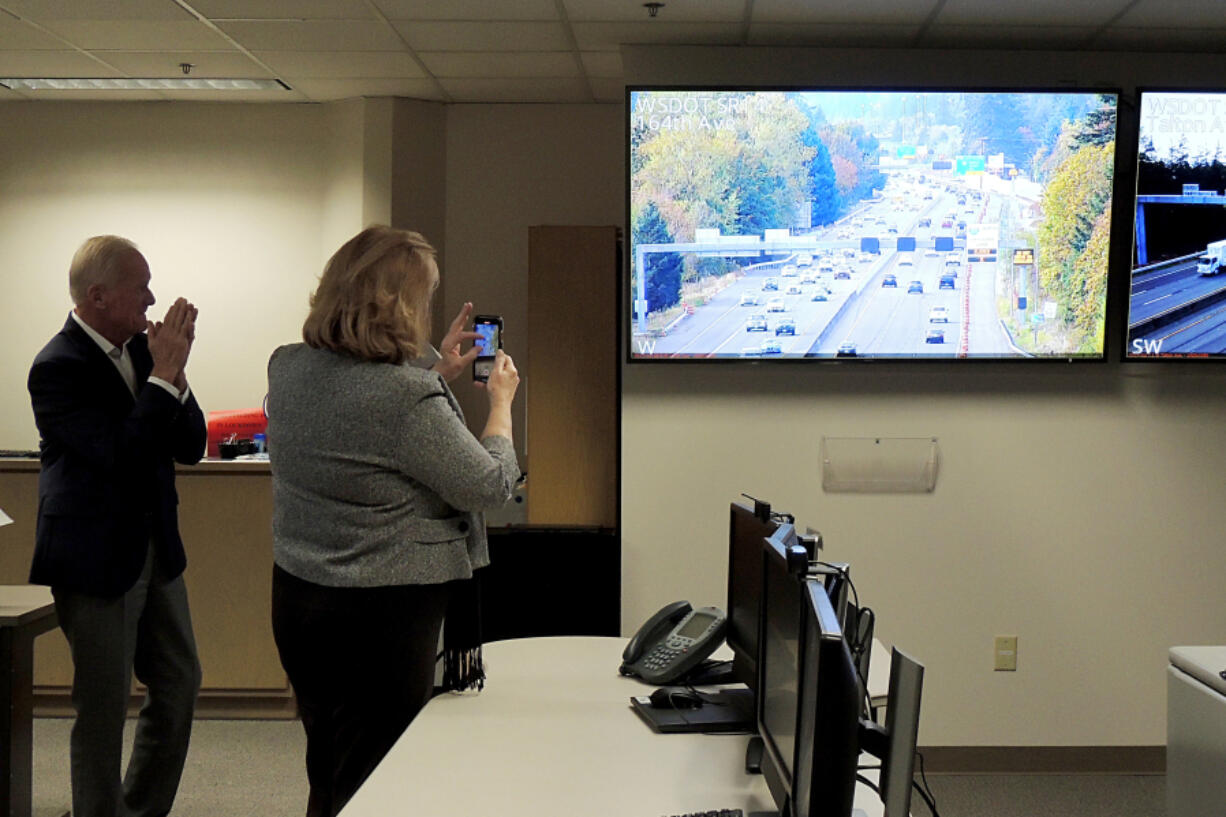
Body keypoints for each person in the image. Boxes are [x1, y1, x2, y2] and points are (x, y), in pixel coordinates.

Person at [266, 225, 522, 817]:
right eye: (425, 300)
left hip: (302, 599)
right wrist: (501, 406)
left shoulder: (288, 368)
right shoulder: (406, 398)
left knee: (330, 765)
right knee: (376, 776)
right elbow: (488, 484)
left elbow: (359, 425)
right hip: (380, 614)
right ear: (401, 306)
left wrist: (434, 371)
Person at [27, 235, 206, 817]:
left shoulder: (145, 352)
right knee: (103, 707)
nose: (152, 298)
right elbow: (120, 454)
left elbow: (191, 445)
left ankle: (139, 809)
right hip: (94, 556)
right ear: (98, 296)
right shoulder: (57, 367)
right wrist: (163, 376)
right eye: (141, 286)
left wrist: (174, 377)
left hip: (158, 550)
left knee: (179, 686)